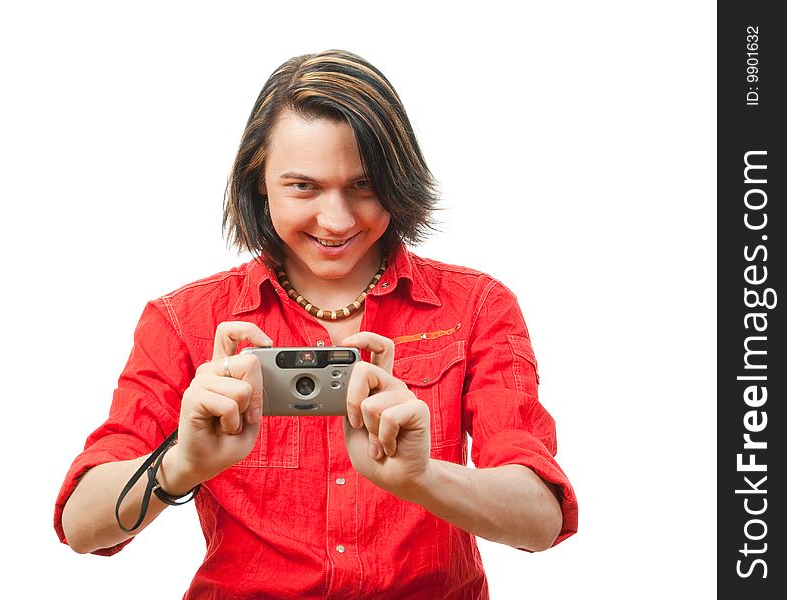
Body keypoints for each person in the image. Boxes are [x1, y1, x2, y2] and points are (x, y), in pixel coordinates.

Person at [55, 49, 578, 598]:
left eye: (364, 185)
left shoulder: (476, 306)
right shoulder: (183, 321)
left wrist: (425, 478)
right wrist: (180, 464)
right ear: (259, 181)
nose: (336, 220)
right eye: (303, 187)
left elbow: (541, 517)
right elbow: (82, 524)